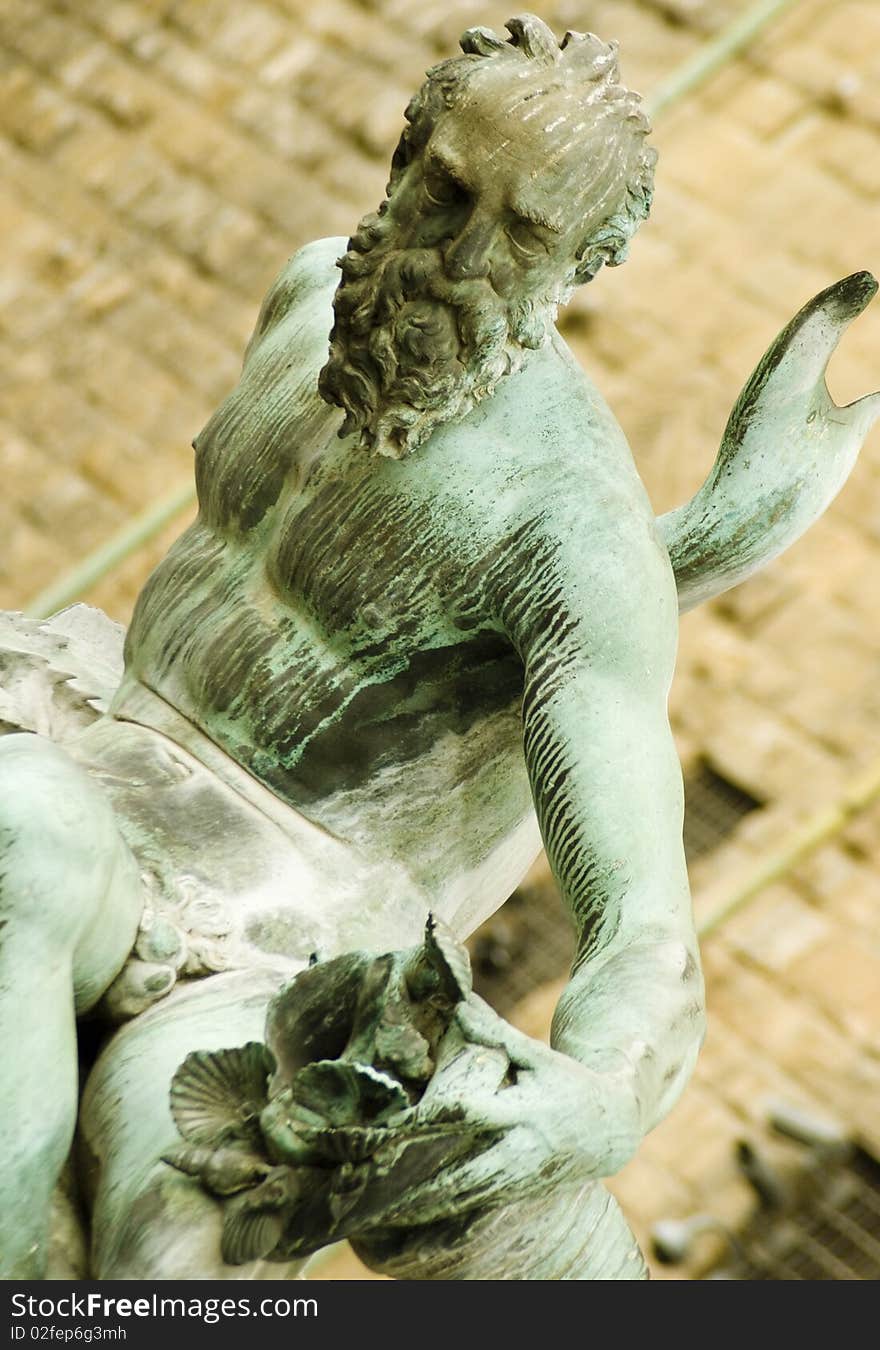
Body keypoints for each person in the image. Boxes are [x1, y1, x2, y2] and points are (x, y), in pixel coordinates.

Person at [1, 15, 876, 1280]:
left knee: (168, 1247)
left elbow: (642, 928)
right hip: (94, 751)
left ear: (589, 258)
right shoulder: (311, 295)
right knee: (23, 821)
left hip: (273, 936)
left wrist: (604, 1094)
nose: (456, 256)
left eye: (519, 236)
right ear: (405, 151)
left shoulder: (573, 533)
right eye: (446, 192)